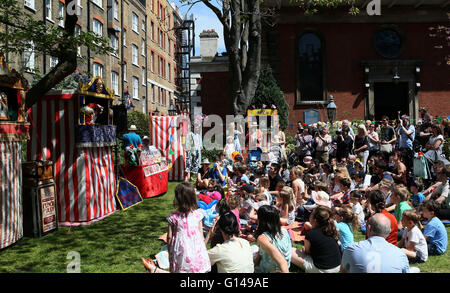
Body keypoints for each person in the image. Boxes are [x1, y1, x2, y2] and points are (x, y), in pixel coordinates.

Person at [341, 213, 410, 273]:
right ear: (389, 231)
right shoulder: (400, 254)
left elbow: (343, 270)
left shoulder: (352, 249)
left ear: (369, 228)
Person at [166, 182, 211, 273]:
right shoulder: (198, 215)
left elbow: (169, 237)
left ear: (178, 198)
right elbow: (201, 234)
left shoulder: (173, 217)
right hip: (196, 250)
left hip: (180, 252)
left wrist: (170, 249)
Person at [290, 205, 342, 273]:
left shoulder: (311, 234)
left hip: (323, 269)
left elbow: (307, 252)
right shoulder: (331, 230)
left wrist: (304, 250)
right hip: (338, 266)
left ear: (314, 219)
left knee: (291, 251)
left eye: (311, 214)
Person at [254, 205, 292, 273]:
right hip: (286, 265)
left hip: (270, 270)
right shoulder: (284, 230)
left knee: (252, 249)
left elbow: (281, 262)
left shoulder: (263, 238)